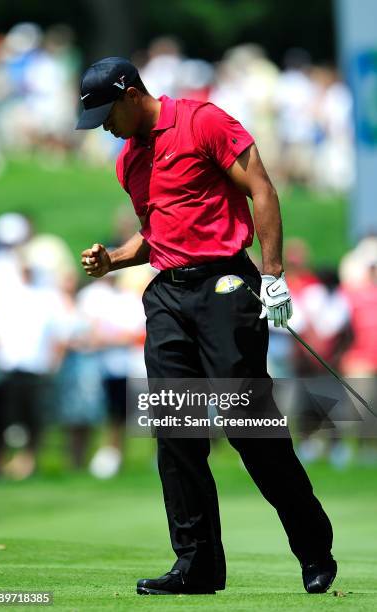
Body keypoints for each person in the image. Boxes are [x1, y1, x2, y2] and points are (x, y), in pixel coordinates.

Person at [76, 57, 337, 596]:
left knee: (249, 427)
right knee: (176, 431)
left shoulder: (203, 121)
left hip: (225, 285)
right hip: (169, 295)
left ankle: (313, 545)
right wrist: (115, 259)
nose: (104, 126)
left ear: (130, 94)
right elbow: (157, 233)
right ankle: (196, 566)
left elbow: (261, 189)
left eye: (106, 113)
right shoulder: (129, 161)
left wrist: (272, 275)